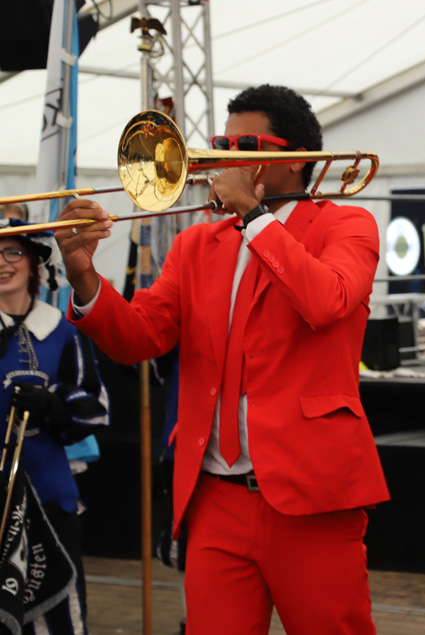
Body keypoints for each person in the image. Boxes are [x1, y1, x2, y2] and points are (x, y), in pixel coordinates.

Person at [54, 84, 389, 633]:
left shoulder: (346, 224)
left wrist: (255, 214)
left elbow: (326, 302)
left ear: (296, 158)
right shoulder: (196, 245)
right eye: (221, 143)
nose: (225, 156)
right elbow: (139, 338)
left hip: (311, 495)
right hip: (215, 496)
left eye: (246, 145)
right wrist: (84, 274)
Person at [0, 219, 109, 633]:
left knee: (60, 614)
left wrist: (54, 406)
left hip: (49, 497)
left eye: (13, 252)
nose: (2, 263)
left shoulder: (64, 332)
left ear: (35, 262)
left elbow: (96, 409)